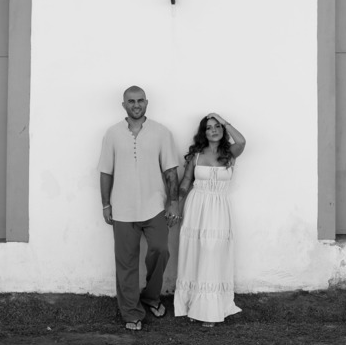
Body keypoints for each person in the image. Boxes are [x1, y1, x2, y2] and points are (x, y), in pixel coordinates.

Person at [98, 86, 181, 331]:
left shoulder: (161, 132)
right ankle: (131, 312)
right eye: (131, 101)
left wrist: (173, 202)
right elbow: (105, 171)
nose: (136, 105)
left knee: (160, 250)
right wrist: (105, 204)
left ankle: (151, 296)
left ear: (147, 102)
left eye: (140, 100)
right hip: (122, 209)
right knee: (126, 262)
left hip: (154, 206)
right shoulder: (112, 134)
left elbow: (170, 171)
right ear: (123, 104)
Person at [174, 112, 247, 327]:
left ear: (222, 130)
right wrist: (177, 206)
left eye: (217, 126)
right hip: (197, 206)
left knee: (213, 251)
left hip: (219, 208)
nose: (213, 130)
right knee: (197, 252)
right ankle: (194, 305)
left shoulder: (230, 153)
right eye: (208, 127)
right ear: (203, 133)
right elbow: (186, 182)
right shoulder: (196, 155)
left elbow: (242, 141)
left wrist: (224, 120)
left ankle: (211, 308)